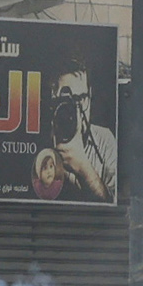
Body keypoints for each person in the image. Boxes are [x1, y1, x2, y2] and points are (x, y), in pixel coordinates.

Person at [32, 67, 118, 201]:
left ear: (89, 97)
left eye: (80, 99)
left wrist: (84, 169)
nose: (75, 110)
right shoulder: (38, 142)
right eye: (65, 101)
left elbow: (114, 205)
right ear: (52, 101)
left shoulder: (105, 140)